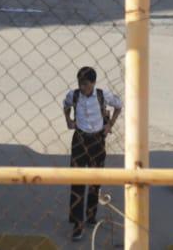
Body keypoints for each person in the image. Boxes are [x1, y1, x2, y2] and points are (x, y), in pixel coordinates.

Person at [62, 65, 121, 240]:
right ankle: (77, 223)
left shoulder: (103, 95)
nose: (82, 87)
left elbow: (119, 106)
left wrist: (110, 125)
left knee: (95, 180)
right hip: (79, 141)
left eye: (86, 84)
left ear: (93, 83)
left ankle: (90, 215)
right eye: (80, 83)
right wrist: (68, 120)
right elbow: (65, 105)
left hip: (97, 141)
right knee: (77, 181)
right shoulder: (73, 95)